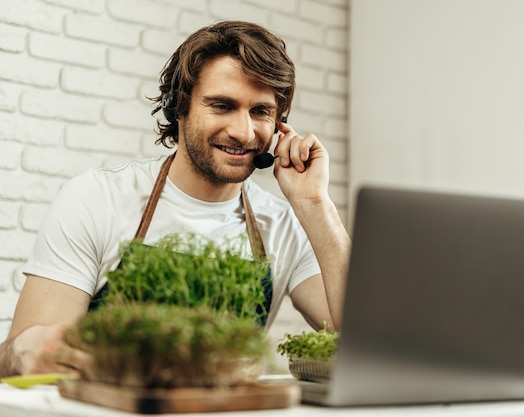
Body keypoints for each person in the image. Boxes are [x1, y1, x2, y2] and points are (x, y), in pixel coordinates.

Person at [0, 20, 350, 377]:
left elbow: (372, 336)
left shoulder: (285, 226)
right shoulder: (97, 199)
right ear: (177, 108)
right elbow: (26, 360)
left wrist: (315, 204)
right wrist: (18, 354)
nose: (244, 132)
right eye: (222, 106)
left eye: (260, 111)